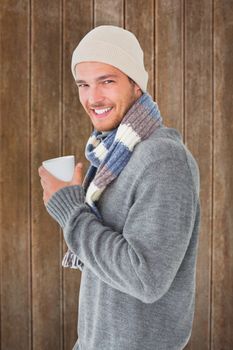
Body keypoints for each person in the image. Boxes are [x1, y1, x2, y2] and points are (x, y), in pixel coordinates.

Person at [39, 25, 200, 350]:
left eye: (107, 81)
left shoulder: (162, 159)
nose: (93, 97)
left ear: (136, 85)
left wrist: (71, 210)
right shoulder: (112, 153)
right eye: (83, 84)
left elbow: (146, 279)